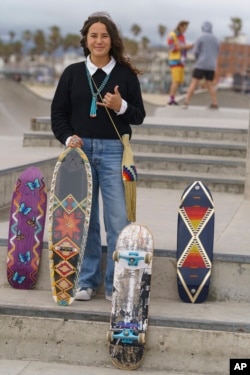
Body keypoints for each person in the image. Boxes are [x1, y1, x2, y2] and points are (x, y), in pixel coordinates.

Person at [51, 11, 145, 301]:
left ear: (112, 40)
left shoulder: (125, 76)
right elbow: (58, 115)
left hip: (114, 151)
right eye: (94, 35)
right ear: (86, 40)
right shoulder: (72, 73)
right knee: (85, 220)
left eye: (104, 35)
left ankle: (116, 282)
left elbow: (138, 115)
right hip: (79, 154)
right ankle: (87, 281)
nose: (99, 40)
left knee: (117, 219)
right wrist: (68, 138)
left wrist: (120, 105)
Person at [183, 21, 220, 109]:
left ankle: (186, 101)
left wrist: (198, 58)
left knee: (194, 83)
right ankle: (215, 103)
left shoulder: (200, 37)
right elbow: (217, 52)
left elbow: (195, 52)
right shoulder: (216, 39)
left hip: (200, 64)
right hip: (211, 66)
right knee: (210, 84)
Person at [167, 20, 193, 105]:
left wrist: (187, 48)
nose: (185, 30)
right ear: (180, 26)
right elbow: (172, 48)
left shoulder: (182, 37)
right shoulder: (172, 35)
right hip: (175, 61)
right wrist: (185, 46)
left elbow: (182, 48)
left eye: (186, 28)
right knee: (176, 80)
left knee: (178, 81)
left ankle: (173, 98)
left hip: (181, 60)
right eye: (184, 27)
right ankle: (171, 99)